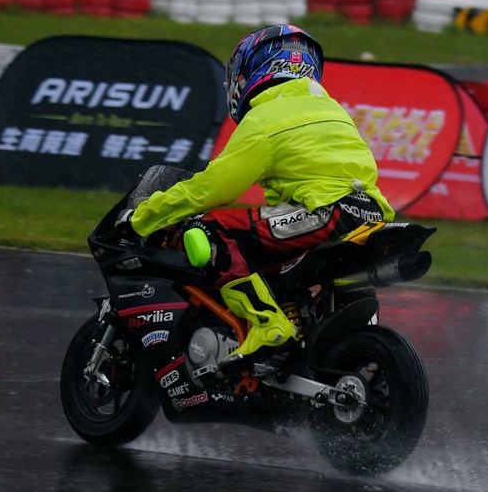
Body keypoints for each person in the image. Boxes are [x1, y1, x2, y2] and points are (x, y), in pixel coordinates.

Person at [125, 24, 394, 366]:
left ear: (250, 70)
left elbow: (213, 189)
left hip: (327, 213)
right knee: (270, 244)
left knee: (213, 228)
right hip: (371, 214)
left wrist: (144, 216)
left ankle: (267, 324)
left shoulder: (265, 119)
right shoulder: (333, 111)